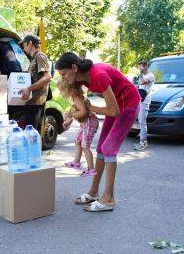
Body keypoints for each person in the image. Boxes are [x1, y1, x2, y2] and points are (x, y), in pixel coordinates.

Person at [55, 52, 140, 212]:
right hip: (117, 106)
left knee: (108, 149)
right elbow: (79, 103)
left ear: (74, 68)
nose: (63, 78)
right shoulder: (81, 77)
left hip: (129, 105)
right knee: (101, 148)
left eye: (64, 74)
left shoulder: (98, 75)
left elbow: (113, 111)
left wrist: (91, 108)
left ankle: (109, 199)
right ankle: (94, 192)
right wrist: (69, 117)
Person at [57, 79, 99, 177]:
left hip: (90, 122)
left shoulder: (77, 97)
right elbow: (73, 113)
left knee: (85, 146)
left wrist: (71, 114)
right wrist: (68, 119)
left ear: (68, 89)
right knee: (77, 140)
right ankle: (76, 162)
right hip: (85, 123)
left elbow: (83, 112)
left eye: (61, 90)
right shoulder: (73, 98)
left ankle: (91, 169)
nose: (60, 92)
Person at [18, 34, 51, 130]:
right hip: (31, 101)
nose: (23, 48)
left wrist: (28, 88)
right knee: (28, 132)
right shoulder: (33, 58)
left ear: (30, 43)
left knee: (31, 133)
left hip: (37, 101)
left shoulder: (40, 56)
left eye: (24, 45)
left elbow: (47, 77)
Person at [134, 61, 154, 151]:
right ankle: (142, 141)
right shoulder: (141, 76)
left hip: (145, 101)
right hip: (140, 100)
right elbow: (138, 85)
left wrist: (141, 74)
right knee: (140, 121)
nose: (140, 69)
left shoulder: (150, 75)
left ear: (145, 67)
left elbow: (142, 82)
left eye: (141, 67)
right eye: (139, 67)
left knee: (142, 122)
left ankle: (143, 142)